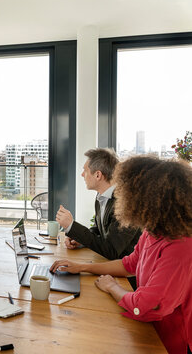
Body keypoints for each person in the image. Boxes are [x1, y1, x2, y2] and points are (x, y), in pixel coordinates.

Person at [50, 156, 192, 354]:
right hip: (146, 329)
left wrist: (112, 287)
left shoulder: (181, 246)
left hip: (169, 341)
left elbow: (146, 307)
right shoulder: (152, 232)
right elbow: (129, 264)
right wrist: (83, 267)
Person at [55, 148, 141, 260]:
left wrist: (71, 226)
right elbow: (98, 230)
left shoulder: (127, 203)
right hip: (107, 264)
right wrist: (80, 240)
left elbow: (111, 250)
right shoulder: (101, 196)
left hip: (125, 274)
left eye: (85, 171)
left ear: (98, 175)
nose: (82, 175)